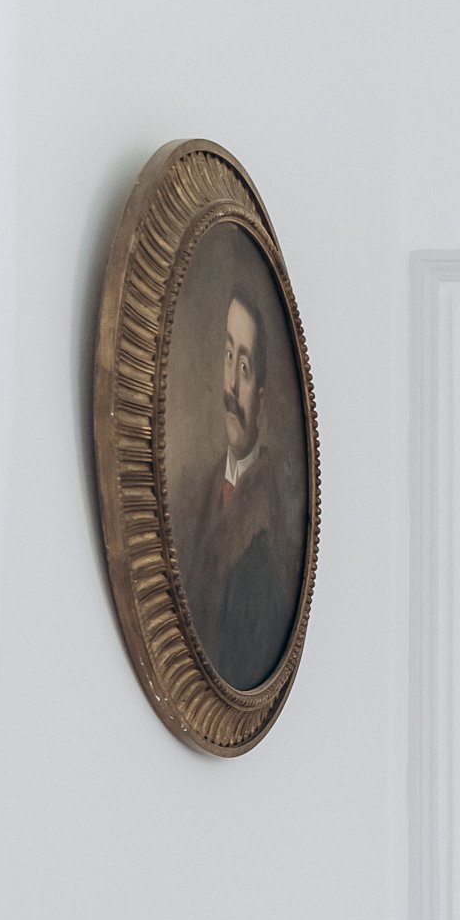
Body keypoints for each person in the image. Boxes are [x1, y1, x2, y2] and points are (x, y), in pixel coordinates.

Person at [183, 283, 296, 689]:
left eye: (244, 368)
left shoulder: (267, 539)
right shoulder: (197, 495)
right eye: (228, 356)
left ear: (262, 400)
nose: (230, 385)